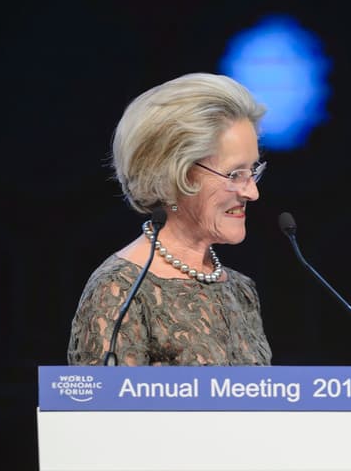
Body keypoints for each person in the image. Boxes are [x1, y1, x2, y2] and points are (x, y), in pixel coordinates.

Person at [68, 72, 272, 366]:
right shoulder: (120, 291)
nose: (252, 192)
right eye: (234, 174)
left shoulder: (240, 290)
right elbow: (104, 411)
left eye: (252, 171)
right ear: (175, 175)